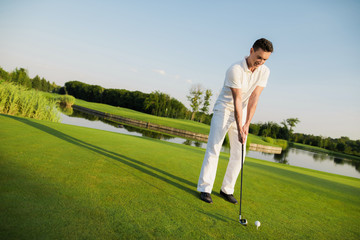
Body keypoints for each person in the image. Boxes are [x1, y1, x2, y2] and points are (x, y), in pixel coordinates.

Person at [197, 38, 273, 204]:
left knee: (240, 153)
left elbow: (255, 97)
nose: (261, 62)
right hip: (224, 109)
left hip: (243, 110)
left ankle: (226, 190)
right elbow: (237, 99)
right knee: (214, 148)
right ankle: (205, 188)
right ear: (252, 51)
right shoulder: (235, 69)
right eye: (259, 57)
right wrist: (240, 127)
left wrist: (247, 125)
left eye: (265, 59)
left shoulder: (264, 71)